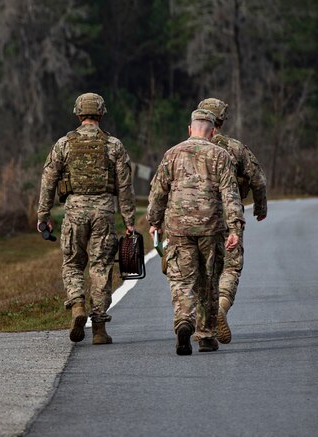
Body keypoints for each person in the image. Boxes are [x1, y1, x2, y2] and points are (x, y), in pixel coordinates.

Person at [36, 93, 136, 345]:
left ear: (79, 115)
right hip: (103, 212)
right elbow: (125, 186)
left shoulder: (64, 144)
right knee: (101, 267)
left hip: (74, 212)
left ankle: (78, 304)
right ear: (101, 114)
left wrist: (43, 215)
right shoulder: (114, 145)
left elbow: (48, 180)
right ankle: (99, 328)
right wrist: (129, 220)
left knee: (72, 263)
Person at [147, 109, 244, 355]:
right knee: (209, 281)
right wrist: (235, 228)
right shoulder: (221, 155)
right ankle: (206, 335)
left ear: (190, 130)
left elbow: (158, 192)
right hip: (211, 228)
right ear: (212, 132)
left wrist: (154, 222)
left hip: (179, 228)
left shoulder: (172, 154)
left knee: (181, 279)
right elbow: (230, 195)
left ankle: (183, 321)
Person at [197, 97, 267, 344]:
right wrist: (260, 206)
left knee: (199, 269)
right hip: (229, 217)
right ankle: (221, 310)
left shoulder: (187, 148)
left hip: (196, 219)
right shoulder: (236, 148)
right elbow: (257, 179)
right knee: (230, 268)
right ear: (222, 120)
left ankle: (202, 323)